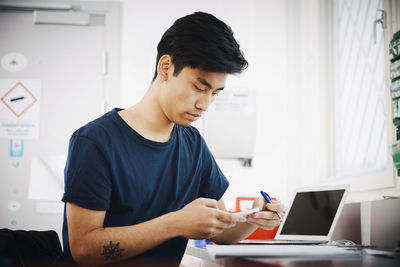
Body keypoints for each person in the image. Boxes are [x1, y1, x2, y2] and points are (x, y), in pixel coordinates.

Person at [61, 12, 283, 266]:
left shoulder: (193, 144)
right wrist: (175, 223)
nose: (205, 104)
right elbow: (83, 250)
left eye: (215, 94)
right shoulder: (95, 141)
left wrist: (252, 218)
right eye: (199, 88)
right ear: (165, 68)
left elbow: (219, 231)